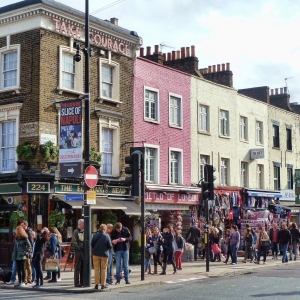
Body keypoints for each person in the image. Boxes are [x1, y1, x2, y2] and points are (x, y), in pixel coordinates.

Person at [91, 224, 112, 290]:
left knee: (96, 269)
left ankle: (96, 285)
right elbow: (110, 246)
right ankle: (103, 284)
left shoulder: (95, 235)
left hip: (96, 254)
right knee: (104, 269)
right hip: (104, 254)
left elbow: (92, 244)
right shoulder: (106, 236)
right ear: (105, 229)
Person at [72, 219, 84, 287]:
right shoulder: (76, 231)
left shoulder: (85, 231)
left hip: (84, 251)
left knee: (83, 267)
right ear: (80, 224)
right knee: (77, 267)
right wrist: (79, 248)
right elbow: (74, 242)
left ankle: (82, 281)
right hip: (79, 252)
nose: (85, 225)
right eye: (83, 223)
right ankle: (76, 282)